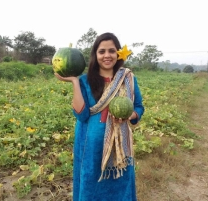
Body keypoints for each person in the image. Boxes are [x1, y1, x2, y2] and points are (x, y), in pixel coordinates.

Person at [54, 32, 145, 201]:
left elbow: (139, 107)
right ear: (95, 55)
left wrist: (129, 115)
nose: (107, 55)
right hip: (90, 146)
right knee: (91, 185)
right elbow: (81, 115)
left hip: (119, 147)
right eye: (102, 51)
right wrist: (74, 82)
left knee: (120, 184)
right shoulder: (84, 81)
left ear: (118, 53)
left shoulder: (127, 78)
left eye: (111, 51)